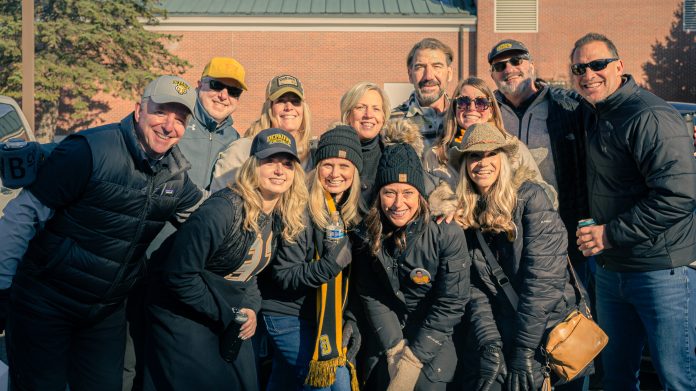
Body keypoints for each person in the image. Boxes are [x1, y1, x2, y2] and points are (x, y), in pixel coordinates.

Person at [0, 75, 202, 390]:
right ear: (139, 110)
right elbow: (22, 215)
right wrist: (2, 286)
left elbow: (207, 212)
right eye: (161, 112)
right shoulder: (90, 150)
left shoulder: (175, 175)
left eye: (180, 119)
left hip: (104, 313)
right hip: (46, 303)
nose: (169, 125)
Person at [571, 32, 696, 391]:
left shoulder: (650, 115)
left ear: (619, 66)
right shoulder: (595, 112)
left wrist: (609, 234)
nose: (588, 73)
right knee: (617, 378)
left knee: (678, 379)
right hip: (612, 271)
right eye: (580, 67)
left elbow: (678, 195)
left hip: (662, 272)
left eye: (598, 64)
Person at [142, 128, 308, 390]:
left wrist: (251, 308)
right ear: (253, 166)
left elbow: (252, 273)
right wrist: (228, 313)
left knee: (246, 382)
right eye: (270, 162)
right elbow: (178, 276)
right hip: (178, 307)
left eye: (287, 164)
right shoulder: (221, 210)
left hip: (223, 309)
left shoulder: (279, 215)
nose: (279, 170)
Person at [122, 56, 248, 390]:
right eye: (216, 85)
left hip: (186, 266)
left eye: (233, 91)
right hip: (141, 253)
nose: (223, 95)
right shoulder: (173, 125)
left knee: (165, 356)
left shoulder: (236, 139)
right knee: (129, 354)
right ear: (200, 84)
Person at [453, 122, 588, 391]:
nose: (483, 162)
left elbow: (543, 284)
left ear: (503, 159)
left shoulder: (531, 198)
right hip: (506, 331)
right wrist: (490, 343)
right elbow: (475, 289)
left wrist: (524, 349)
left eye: (491, 154)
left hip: (551, 333)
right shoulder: (466, 213)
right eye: (474, 155)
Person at [354, 143, 470, 391]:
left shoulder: (446, 232)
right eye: (389, 192)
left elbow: (452, 302)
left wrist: (413, 359)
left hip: (433, 337)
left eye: (407, 192)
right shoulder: (368, 232)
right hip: (388, 335)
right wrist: (395, 350)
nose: (398, 203)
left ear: (420, 194)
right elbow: (371, 294)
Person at [261, 125, 363, 391]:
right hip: (287, 314)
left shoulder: (348, 212)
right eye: (328, 164)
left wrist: (349, 318)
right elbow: (284, 276)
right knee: (332, 384)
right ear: (316, 167)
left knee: (283, 383)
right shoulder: (300, 207)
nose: (335, 174)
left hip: (321, 315)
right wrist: (329, 265)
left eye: (344, 166)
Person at [487, 39, 588, 275]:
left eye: (516, 61)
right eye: (500, 66)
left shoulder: (567, 106)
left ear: (531, 66)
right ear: (492, 75)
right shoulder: (487, 111)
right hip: (507, 229)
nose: (509, 69)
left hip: (564, 227)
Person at [423, 77, 556, 207]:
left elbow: (544, 199)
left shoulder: (514, 148)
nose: (472, 108)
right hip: (457, 227)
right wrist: (444, 207)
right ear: (455, 108)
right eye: (463, 101)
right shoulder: (435, 155)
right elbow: (425, 204)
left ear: (491, 110)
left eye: (481, 103)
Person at [211, 74, 314, 191]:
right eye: (281, 101)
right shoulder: (243, 149)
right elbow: (218, 196)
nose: (289, 107)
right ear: (268, 108)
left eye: (295, 101)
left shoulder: (313, 154)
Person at [391, 38, 454, 147]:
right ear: (410, 75)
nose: (428, 76)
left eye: (436, 66)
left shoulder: (463, 116)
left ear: (449, 74)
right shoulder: (392, 122)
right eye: (420, 67)